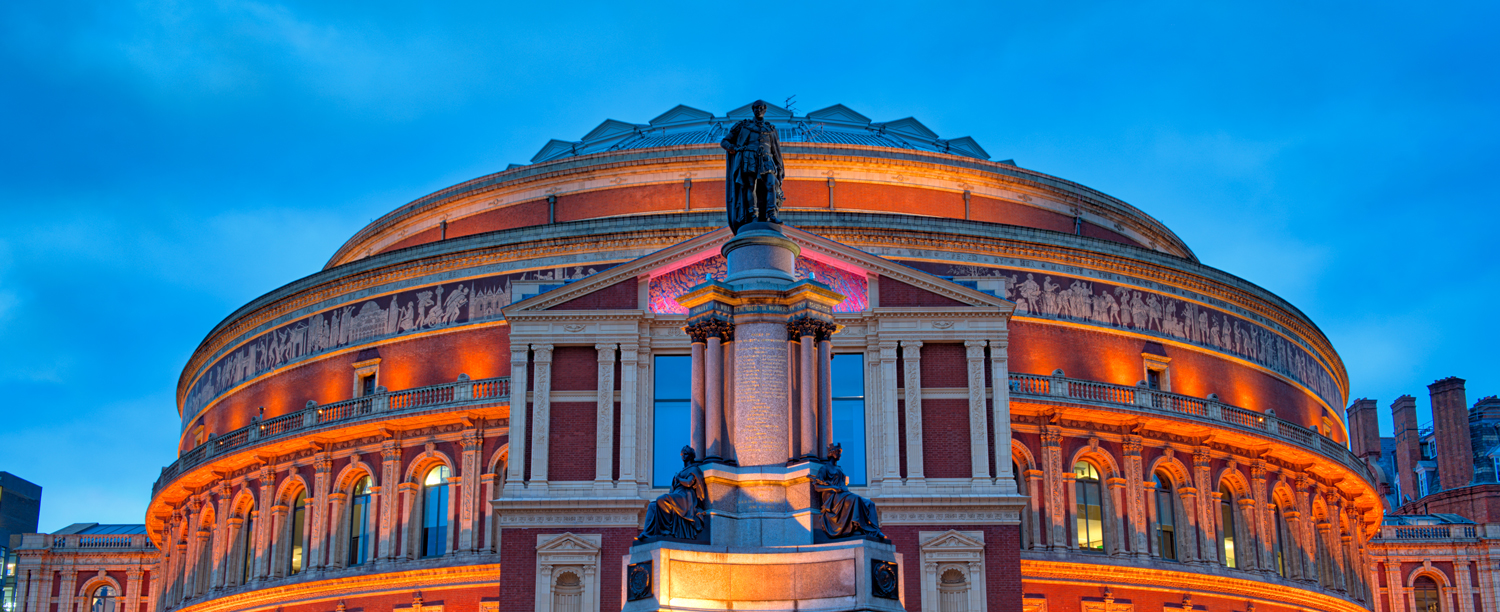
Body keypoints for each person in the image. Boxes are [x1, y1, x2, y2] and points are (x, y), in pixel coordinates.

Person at [720, 100, 784, 233]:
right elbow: (725, 141)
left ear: (765, 109)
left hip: (767, 159)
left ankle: (771, 215)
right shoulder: (743, 126)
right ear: (753, 109)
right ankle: (752, 216)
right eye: (756, 108)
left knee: (771, 184)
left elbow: (776, 151)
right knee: (750, 186)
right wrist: (734, 148)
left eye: (761, 108)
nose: (758, 110)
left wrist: (780, 168)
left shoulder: (770, 129)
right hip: (749, 158)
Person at [811, 443, 886, 540]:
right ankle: (855, 526)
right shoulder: (824, 468)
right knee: (856, 499)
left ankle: (875, 531)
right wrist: (833, 488)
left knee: (870, 504)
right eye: (838, 452)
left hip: (843, 494)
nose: (840, 455)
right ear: (832, 453)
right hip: (833, 498)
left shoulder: (839, 469)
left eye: (840, 452)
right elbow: (817, 487)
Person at [638, 446, 708, 541]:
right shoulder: (681, 471)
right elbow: (673, 489)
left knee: (662, 499)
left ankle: (666, 531)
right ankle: (647, 533)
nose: (683, 455)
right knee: (652, 506)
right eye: (682, 454)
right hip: (677, 494)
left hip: (686, 497)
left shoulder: (694, 469)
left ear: (691, 456)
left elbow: (688, 483)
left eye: (685, 453)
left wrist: (678, 478)